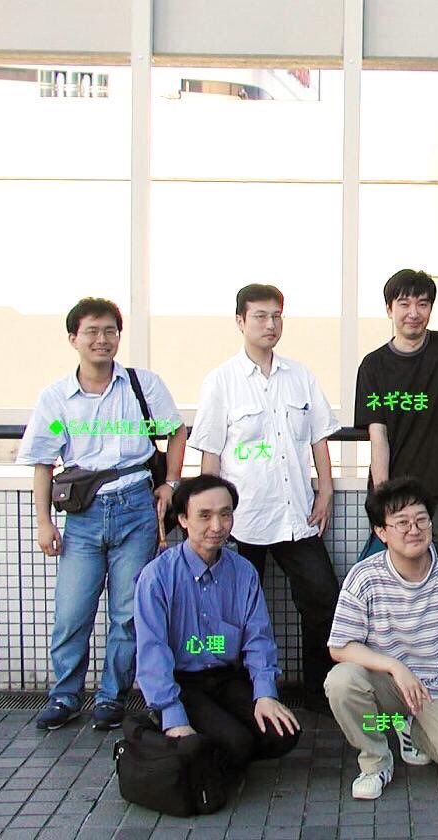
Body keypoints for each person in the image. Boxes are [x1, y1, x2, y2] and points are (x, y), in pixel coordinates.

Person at [18, 297, 186, 731]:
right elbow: (44, 461)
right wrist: (43, 522)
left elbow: (175, 431)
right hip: (83, 515)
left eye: (110, 330)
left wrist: (170, 482)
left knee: (128, 612)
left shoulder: (140, 387)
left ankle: (112, 697)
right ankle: (65, 695)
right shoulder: (58, 400)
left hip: (137, 507)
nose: (102, 339)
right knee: (72, 612)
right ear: (73, 338)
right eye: (92, 331)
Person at [189, 284, 342, 714]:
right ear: (240, 321)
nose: (270, 324)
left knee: (323, 599)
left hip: (296, 515)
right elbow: (210, 454)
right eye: (260, 316)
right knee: (234, 611)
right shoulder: (221, 381)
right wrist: (208, 518)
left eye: (276, 315)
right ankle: (241, 696)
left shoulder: (300, 376)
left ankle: (319, 693)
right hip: (242, 521)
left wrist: (325, 489)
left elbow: (319, 437)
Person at [325, 478, 438, 800]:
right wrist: (394, 666)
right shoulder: (365, 576)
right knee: (341, 681)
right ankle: (376, 762)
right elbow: (340, 647)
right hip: (389, 684)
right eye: (402, 523)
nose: (414, 530)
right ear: (381, 532)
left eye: (421, 519)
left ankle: (415, 731)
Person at [133, 475, 301, 770]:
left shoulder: (244, 571)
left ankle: (213, 750)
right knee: (236, 742)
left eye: (225, 514)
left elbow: (258, 637)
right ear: (183, 519)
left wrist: (265, 694)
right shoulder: (157, 576)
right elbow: (152, 651)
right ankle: (170, 731)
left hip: (226, 678)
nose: (217, 526)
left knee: (283, 734)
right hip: (181, 682)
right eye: (204, 516)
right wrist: (173, 716)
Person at [354, 269, 438, 550]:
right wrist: (384, 497)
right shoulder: (373, 366)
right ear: (389, 309)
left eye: (422, 304)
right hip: (398, 494)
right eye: (404, 304)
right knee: (395, 566)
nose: (414, 313)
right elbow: (378, 437)